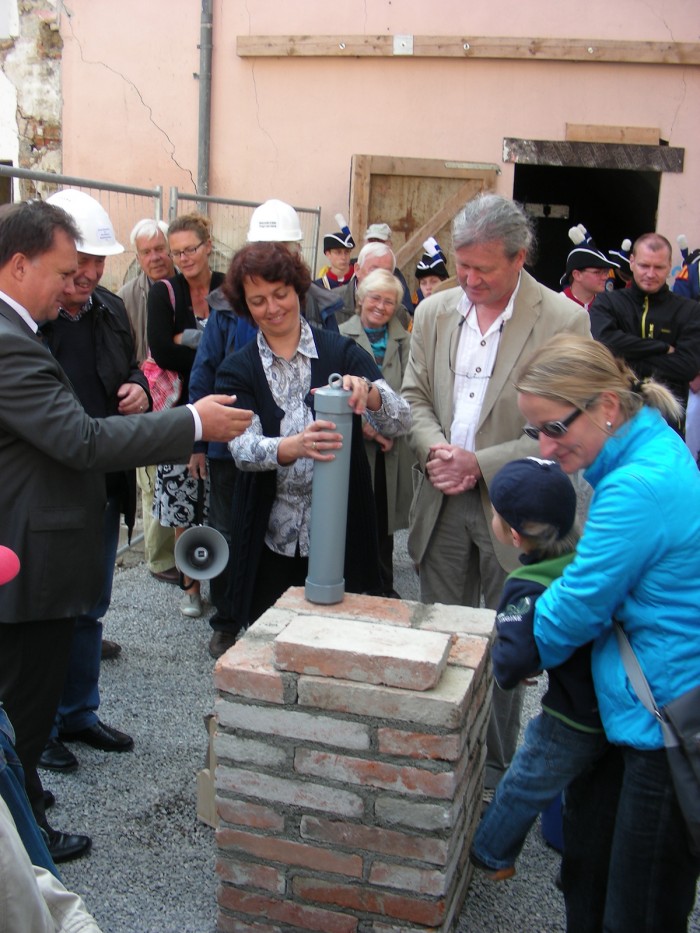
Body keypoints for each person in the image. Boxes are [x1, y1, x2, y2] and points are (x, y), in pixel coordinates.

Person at [0, 199, 253, 863]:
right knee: (23, 709)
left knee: (31, 696)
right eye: (62, 269)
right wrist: (191, 422)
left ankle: (27, 792)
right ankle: (24, 840)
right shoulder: (9, 340)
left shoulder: (39, 325)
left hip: (42, 542)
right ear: (19, 264)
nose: (72, 282)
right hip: (30, 554)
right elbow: (78, 438)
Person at [401, 192, 590, 794]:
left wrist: (477, 463)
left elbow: (564, 425)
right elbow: (412, 398)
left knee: (506, 642)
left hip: (516, 512)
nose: (470, 279)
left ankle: (493, 773)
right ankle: (436, 758)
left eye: (484, 268)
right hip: (440, 496)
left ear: (520, 257)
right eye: (462, 266)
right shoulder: (434, 312)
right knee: (440, 634)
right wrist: (439, 454)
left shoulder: (563, 320)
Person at [515, 332, 700, 933]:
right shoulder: (644, 447)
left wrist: (518, 639)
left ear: (607, 408)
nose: (545, 447)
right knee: (595, 871)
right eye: (534, 432)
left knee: (639, 906)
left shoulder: (635, 485)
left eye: (554, 429)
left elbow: (584, 599)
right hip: (645, 702)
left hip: (661, 718)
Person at [215, 242, 411, 630]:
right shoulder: (238, 368)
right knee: (270, 637)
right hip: (269, 537)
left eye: (280, 294)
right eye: (258, 301)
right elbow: (241, 449)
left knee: (340, 639)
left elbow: (400, 420)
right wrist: (292, 447)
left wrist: (369, 394)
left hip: (344, 531)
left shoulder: (340, 351)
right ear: (245, 307)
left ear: (297, 290)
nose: (272, 308)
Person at [36, 189, 142, 781]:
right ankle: (41, 725)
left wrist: (139, 390)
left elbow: (129, 369)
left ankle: (78, 712)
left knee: (90, 607)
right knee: (49, 610)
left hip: (104, 484)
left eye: (101, 261)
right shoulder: (31, 319)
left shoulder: (109, 309)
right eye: (83, 259)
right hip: (49, 492)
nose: (93, 273)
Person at [469, 457, 606, 882]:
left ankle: (491, 853)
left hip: (572, 712)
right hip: (609, 703)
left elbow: (510, 663)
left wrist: (509, 660)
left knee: (524, 781)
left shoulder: (527, 585)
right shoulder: (586, 556)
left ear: (513, 532)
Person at [147, 212, 223, 618]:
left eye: (190, 249)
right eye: (176, 252)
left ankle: (223, 582)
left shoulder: (229, 286)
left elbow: (237, 349)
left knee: (221, 499)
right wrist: (209, 344)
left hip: (227, 408)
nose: (183, 258)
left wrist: (189, 339)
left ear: (208, 245)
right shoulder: (164, 292)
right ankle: (191, 586)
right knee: (182, 502)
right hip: (180, 414)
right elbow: (161, 350)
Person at [188, 283, 257, 659]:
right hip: (225, 443)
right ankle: (227, 622)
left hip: (284, 444)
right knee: (225, 531)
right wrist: (198, 443)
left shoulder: (308, 300)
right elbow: (204, 371)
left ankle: (271, 616)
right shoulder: (224, 310)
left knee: (276, 530)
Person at [339, 268, 412, 594]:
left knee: (383, 521)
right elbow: (334, 389)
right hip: (354, 443)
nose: (381, 307)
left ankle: (384, 588)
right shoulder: (339, 335)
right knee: (352, 517)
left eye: (389, 301)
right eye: (375, 298)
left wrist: (387, 430)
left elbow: (412, 392)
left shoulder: (406, 341)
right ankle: (352, 586)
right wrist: (370, 428)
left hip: (392, 448)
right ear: (361, 299)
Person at [590, 232, 700, 433]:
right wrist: (662, 347)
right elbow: (604, 344)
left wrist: (624, 358)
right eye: (644, 265)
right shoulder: (607, 302)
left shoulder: (690, 311)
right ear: (632, 262)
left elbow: (688, 366)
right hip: (612, 418)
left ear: (669, 267)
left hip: (667, 424)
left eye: (658, 267)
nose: (650, 274)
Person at [118, 218, 178, 585]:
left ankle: (186, 548)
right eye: (147, 251)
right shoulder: (126, 297)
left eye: (160, 248)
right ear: (138, 257)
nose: (155, 257)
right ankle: (159, 558)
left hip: (185, 393)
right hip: (147, 397)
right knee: (152, 480)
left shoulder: (182, 287)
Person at [247, 198, 345, 331]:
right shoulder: (228, 307)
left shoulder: (319, 303)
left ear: (296, 251)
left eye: (279, 249)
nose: (270, 259)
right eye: (263, 249)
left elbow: (333, 350)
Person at [336, 241, 412, 329]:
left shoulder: (398, 312)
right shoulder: (331, 303)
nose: (379, 277)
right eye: (373, 270)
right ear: (357, 270)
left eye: (385, 272)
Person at [560, 225, 618, 311]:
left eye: (605, 272)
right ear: (577, 275)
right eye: (597, 272)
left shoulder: (607, 307)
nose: (605, 277)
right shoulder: (558, 304)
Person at [314, 214, 355, 290]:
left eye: (347, 252)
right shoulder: (319, 286)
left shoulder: (359, 279)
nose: (343, 257)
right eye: (338, 252)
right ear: (328, 254)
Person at [412, 237, 450, 309]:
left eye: (434, 282)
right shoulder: (418, 302)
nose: (428, 287)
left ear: (445, 282)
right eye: (423, 283)